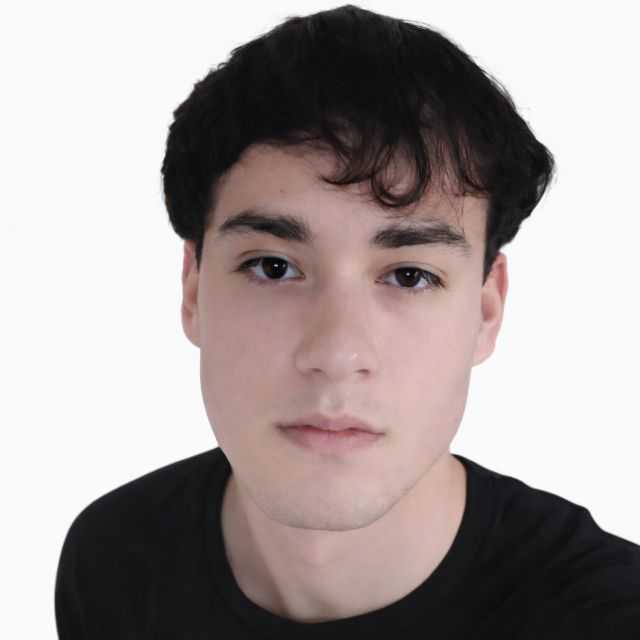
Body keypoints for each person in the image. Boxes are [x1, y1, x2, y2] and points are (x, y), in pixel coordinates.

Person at [54, 4, 640, 638]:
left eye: (409, 275)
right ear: (193, 290)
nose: (336, 353)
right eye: (274, 267)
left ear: (485, 311)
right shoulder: (115, 561)